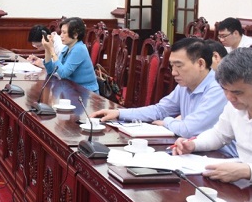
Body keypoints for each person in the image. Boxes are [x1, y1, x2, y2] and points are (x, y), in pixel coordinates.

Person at [172, 48, 252, 185]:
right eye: (224, 89)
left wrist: (247, 171)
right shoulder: (237, 104)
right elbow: (219, 135)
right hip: (244, 182)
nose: (229, 97)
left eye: (237, 92)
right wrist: (193, 145)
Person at [91, 38, 228, 139]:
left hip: (221, 158)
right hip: (192, 148)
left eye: (179, 66)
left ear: (201, 64)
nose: (173, 72)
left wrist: (166, 122)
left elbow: (189, 129)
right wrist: (119, 113)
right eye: (172, 66)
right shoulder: (185, 85)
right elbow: (160, 110)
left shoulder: (218, 89)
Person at [42, 17, 98, 92]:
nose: (61, 35)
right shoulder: (67, 48)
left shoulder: (79, 49)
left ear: (75, 35)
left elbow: (63, 73)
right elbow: (50, 70)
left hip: (86, 92)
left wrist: (52, 50)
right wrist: (47, 48)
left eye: (64, 33)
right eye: (61, 32)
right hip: (71, 89)